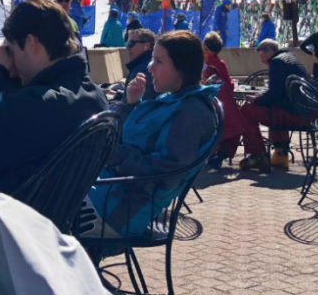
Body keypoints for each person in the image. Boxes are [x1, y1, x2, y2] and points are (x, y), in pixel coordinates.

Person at [0, 0, 108, 193]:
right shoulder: (94, 97)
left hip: (0, 209)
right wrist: (13, 81)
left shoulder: (42, 106)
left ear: (30, 43)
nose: (11, 59)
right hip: (51, 208)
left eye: (11, 50)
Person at [85, 31, 219, 236]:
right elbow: (133, 138)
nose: (149, 67)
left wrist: (113, 154)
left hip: (117, 212)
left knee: (46, 210)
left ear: (181, 68)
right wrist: (130, 104)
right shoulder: (175, 100)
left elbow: (161, 176)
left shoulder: (190, 112)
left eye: (159, 61)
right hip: (110, 193)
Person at [236, 39, 309, 172]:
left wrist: (256, 100)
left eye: (262, 57)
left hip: (292, 115)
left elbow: (274, 95)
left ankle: (258, 155)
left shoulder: (276, 62)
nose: (263, 62)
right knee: (272, 108)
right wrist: (262, 97)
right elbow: (279, 93)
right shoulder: (290, 58)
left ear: (269, 51)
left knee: (246, 110)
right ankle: (280, 153)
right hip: (303, 112)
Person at [201, 31, 244, 168]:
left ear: (206, 49)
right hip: (225, 105)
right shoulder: (219, 63)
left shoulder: (209, 65)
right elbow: (229, 84)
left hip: (212, 104)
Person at [123, 29, 158, 101]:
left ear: (146, 46)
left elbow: (138, 104)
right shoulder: (151, 62)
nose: (127, 48)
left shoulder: (141, 71)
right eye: (127, 44)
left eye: (131, 44)